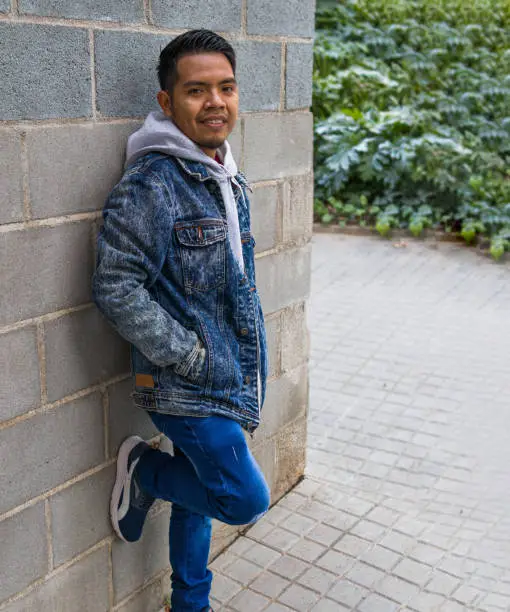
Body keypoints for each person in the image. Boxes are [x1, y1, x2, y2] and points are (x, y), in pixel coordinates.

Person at [92, 29, 270, 612]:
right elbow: (115, 284)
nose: (215, 101)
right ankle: (145, 471)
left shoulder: (220, 172)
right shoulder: (154, 182)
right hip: (183, 380)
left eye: (226, 87)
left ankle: (189, 605)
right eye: (196, 90)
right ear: (167, 103)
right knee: (243, 499)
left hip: (226, 372)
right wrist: (186, 354)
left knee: (203, 498)